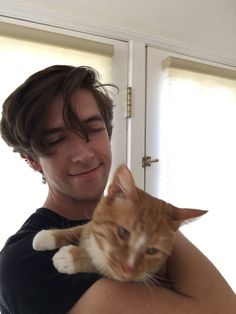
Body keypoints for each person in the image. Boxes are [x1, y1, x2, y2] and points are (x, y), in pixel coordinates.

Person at [0, 65, 235, 314]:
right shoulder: (28, 262)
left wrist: (154, 216)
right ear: (32, 159)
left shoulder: (148, 219)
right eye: (57, 140)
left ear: (109, 132)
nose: (84, 154)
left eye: (93, 129)